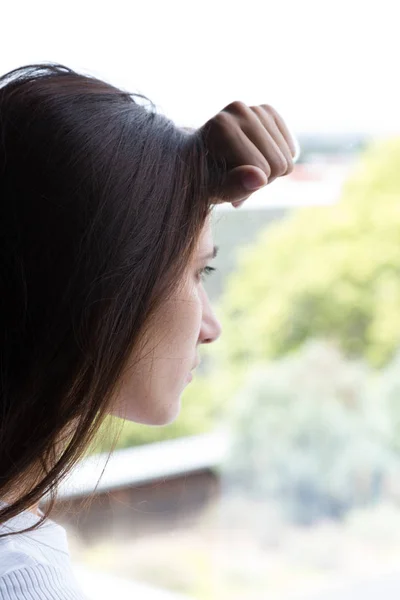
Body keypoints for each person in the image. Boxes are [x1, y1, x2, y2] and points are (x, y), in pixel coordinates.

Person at [0, 62, 297, 598]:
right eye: (197, 272)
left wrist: (162, 183)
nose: (212, 326)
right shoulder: (21, 573)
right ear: (101, 284)